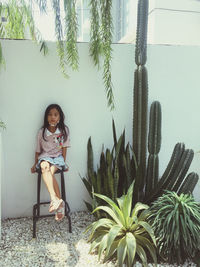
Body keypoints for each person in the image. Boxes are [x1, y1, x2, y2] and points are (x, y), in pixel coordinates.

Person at [31, 104, 70, 221]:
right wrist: (35, 163)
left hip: (58, 158)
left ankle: (57, 202)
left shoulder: (64, 130)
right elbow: (38, 150)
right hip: (45, 157)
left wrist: (64, 162)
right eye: (50, 114)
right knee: (44, 166)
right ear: (46, 117)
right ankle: (55, 200)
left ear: (59, 117)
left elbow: (64, 148)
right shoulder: (42, 132)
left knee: (50, 172)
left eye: (55, 114)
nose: (52, 117)